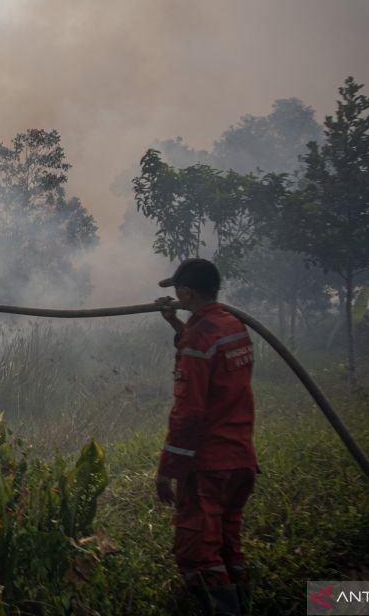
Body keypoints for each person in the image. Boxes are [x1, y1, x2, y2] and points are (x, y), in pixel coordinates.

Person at [155, 258, 257, 616]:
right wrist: (175, 322)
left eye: (177, 291)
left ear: (186, 292)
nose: (176, 296)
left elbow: (189, 415)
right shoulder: (232, 325)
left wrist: (168, 469)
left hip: (209, 464)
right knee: (228, 544)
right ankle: (244, 603)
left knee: (199, 550)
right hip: (240, 458)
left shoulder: (200, 336)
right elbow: (209, 360)